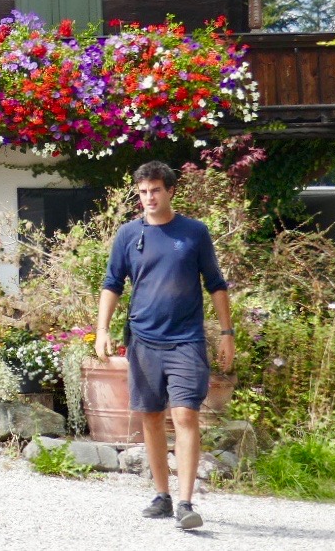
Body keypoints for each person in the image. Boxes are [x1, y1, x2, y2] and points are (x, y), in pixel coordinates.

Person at [97, 160, 234, 532]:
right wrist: (102, 330)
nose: (149, 198)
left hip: (185, 340)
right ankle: (162, 495)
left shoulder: (194, 233)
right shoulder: (128, 235)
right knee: (151, 416)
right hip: (143, 340)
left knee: (185, 415)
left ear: (170, 190)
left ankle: (186, 502)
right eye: (142, 192)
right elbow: (112, 283)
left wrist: (226, 333)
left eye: (155, 190)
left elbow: (216, 284)